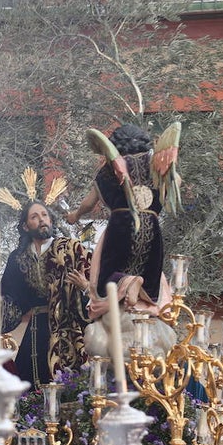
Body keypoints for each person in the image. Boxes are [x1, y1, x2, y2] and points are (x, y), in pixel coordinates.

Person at [65, 124, 174, 320]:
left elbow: (88, 203)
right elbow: (176, 183)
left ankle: (129, 283)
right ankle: (141, 288)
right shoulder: (155, 164)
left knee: (106, 275)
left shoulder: (109, 168)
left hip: (121, 226)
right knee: (151, 269)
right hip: (151, 225)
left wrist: (76, 215)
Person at [0, 199, 90, 385]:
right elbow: (9, 296)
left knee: (68, 385)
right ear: (25, 226)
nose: (41, 220)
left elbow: (97, 285)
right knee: (28, 384)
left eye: (44, 215)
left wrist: (85, 287)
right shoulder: (18, 258)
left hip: (67, 330)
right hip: (36, 329)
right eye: (34, 216)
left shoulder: (72, 249)